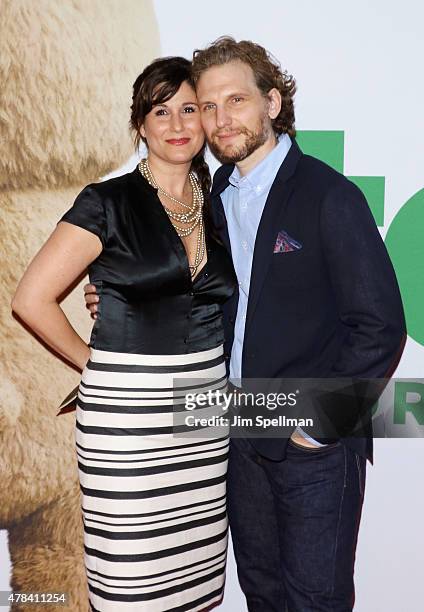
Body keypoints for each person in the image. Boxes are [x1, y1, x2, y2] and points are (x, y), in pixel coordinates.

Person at [84, 39, 406, 611]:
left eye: (236, 100)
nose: (219, 119)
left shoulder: (329, 195)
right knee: (262, 592)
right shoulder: (214, 199)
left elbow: (379, 327)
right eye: (207, 106)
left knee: (316, 600)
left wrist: (318, 430)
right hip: (233, 433)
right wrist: (122, 294)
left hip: (313, 444)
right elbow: (196, 294)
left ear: (273, 103)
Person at [12, 56, 237, 612]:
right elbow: (30, 300)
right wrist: (94, 363)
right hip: (128, 427)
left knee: (197, 584)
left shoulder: (218, 203)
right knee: (133, 585)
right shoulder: (106, 202)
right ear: (140, 124)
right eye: (161, 112)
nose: (178, 124)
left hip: (204, 424)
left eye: (189, 109)